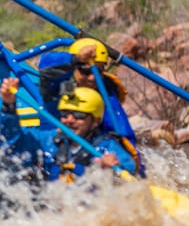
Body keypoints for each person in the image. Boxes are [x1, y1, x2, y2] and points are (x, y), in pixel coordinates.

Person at [37, 38, 145, 175]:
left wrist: (132, 170)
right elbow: (44, 64)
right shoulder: (57, 83)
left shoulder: (106, 94)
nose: (93, 78)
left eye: (98, 71)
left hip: (85, 152)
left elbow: (122, 136)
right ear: (73, 68)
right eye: (85, 72)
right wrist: (76, 59)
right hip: (52, 146)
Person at [0, 79, 137, 181]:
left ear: (95, 121)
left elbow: (129, 170)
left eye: (79, 115)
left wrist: (112, 170)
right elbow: (11, 145)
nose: (69, 120)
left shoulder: (108, 147)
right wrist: (8, 106)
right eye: (64, 114)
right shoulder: (48, 140)